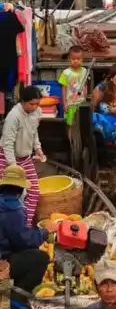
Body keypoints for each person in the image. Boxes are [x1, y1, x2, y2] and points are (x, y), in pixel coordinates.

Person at [0, 166, 56, 295]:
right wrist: (46, 231)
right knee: (40, 258)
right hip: (3, 259)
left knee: (31, 252)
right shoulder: (12, 209)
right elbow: (25, 241)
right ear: (20, 190)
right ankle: (19, 296)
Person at [0, 86, 45, 224]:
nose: (35, 107)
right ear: (23, 102)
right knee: (6, 194)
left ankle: (26, 224)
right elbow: (7, 143)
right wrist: (13, 166)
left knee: (34, 192)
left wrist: (37, 147)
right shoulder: (13, 117)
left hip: (25, 158)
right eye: (32, 104)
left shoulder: (36, 112)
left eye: (37, 103)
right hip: (7, 158)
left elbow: (34, 131)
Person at [60, 45, 88, 135]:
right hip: (70, 103)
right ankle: (70, 142)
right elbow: (64, 88)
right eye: (73, 59)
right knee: (70, 124)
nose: (76, 61)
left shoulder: (84, 71)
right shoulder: (66, 73)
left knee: (82, 123)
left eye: (78, 59)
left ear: (82, 60)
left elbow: (85, 85)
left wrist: (86, 95)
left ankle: (80, 143)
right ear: (69, 59)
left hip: (81, 103)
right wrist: (64, 103)